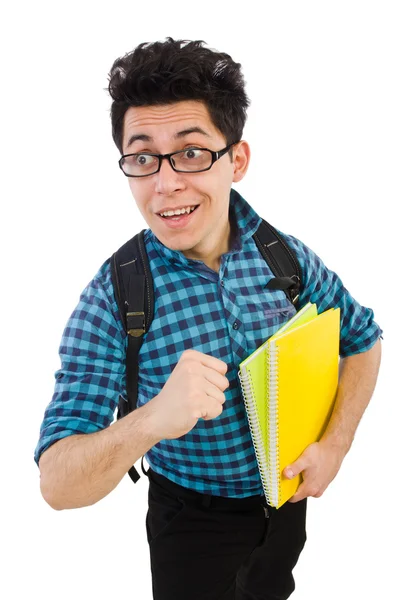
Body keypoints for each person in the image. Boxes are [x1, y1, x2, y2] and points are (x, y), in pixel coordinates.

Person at [34, 37, 382, 600]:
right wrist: (152, 420)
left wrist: (336, 445)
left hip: (286, 503)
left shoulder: (284, 256)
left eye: (191, 153)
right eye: (143, 157)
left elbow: (363, 340)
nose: (165, 184)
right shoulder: (115, 296)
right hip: (189, 521)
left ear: (236, 160)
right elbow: (56, 483)